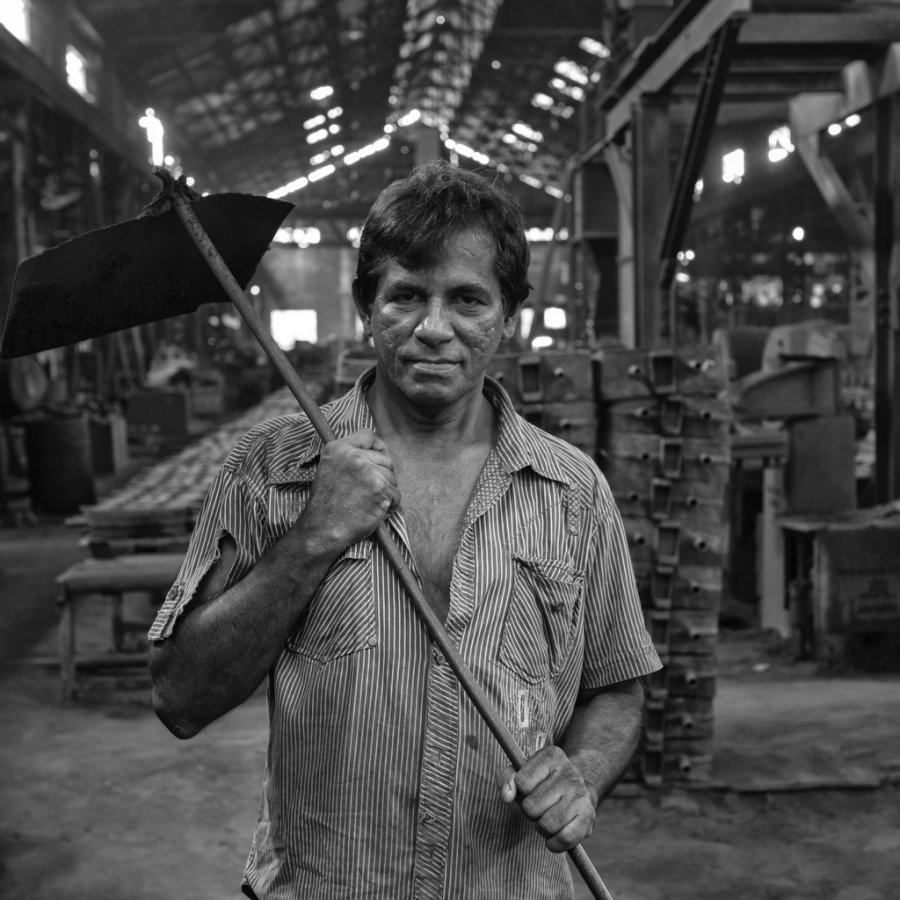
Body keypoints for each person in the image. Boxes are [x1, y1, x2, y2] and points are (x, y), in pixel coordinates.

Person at [148, 159, 662, 899]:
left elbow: (616, 689)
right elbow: (180, 697)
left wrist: (581, 774)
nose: (433, 329)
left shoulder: (571, 491)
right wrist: (316, 534)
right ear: (367, 306)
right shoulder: (271, 470)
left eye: (467, 299)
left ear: (508, 315)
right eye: (406, 296)